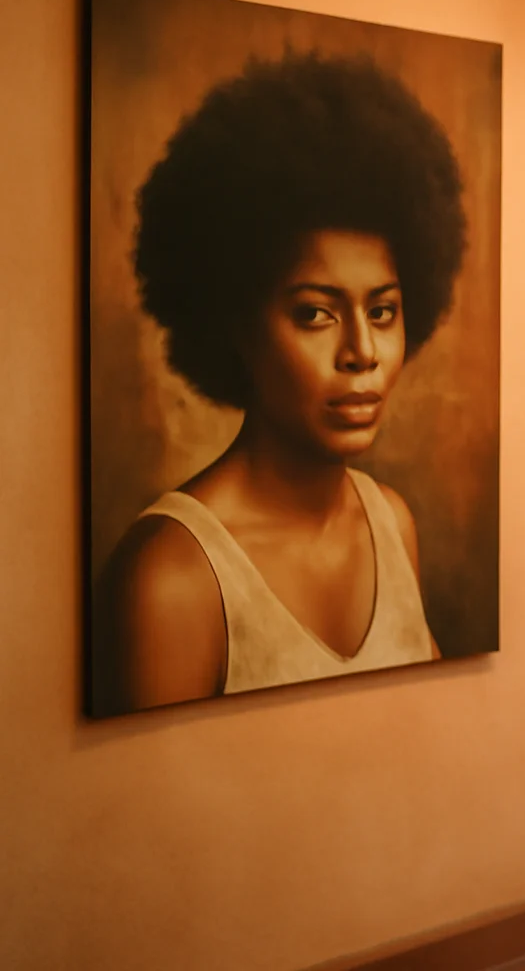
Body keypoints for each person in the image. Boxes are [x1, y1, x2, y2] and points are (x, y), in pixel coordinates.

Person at [94, 51, 462, 715]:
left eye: (382, 312)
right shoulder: (171, 577)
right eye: (316, 314)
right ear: (236, 323)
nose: (362, 353)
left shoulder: (391, 522)